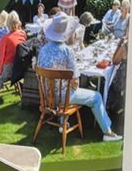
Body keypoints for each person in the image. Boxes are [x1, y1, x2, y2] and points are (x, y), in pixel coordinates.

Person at [36, 9, 118, 139]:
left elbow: (41, 73)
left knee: (66, 87)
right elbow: (75, 82)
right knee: (96, 96)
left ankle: (62, 123)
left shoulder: (43, 50)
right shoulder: (67, 52)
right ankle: (108, 132)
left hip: (46, 96)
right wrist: (70, 86)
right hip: (62, 97)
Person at [0, 11, 26, 77]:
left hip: (8, 69)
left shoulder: (4, 39)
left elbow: (1, 58)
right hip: (19, 66)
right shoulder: (23, 34)